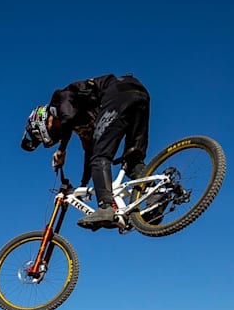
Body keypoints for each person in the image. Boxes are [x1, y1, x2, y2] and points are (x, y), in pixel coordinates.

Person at [21, 74, 150, 230]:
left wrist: (61, 150)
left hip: (117, 93)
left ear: (41, 122)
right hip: (138, 94)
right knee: (133, 161)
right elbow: (90, 153)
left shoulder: (59, 99)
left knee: (101, 157)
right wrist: (83, 185)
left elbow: (68, 118)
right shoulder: (83, 121)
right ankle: (156, 195)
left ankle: (105, 208)